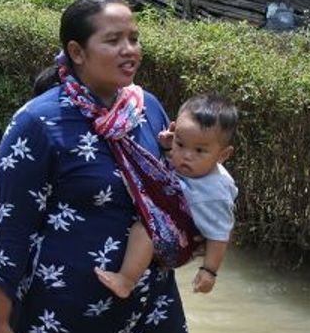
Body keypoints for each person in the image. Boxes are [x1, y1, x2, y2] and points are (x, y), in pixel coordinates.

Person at [0, 0, 196, 333]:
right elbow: (12, 232)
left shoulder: (146, 108)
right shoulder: (38, 123)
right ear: (77, 52)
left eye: (134, 38)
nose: (130, 49)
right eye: (113, 39)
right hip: (65, 310)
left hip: (146, 300)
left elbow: (168, 189)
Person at [96, 94, 239, 298]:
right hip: (174, 218)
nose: (186, 156)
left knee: (145, 230)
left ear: (223, 155)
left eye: (199, 150)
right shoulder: (193, 165)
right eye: (181, 145)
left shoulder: (215, 192)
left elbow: (219, 235)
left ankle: (126, 280)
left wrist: (209, 271)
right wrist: (166, 146)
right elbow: (173, 157)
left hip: (181, 239)